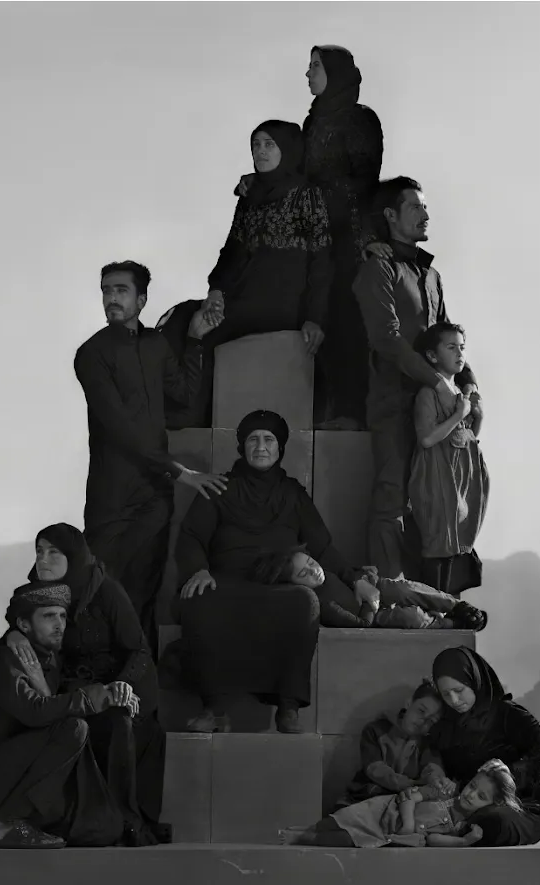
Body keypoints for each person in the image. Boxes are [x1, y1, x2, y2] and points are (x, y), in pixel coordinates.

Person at [171, 409, 379, 734]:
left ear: (280, 447)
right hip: (226, 580)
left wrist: (356, 580)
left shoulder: (293, 494)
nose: (261, 446)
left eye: (268, 439)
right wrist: (198, 570)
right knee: (201, 600)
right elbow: (191, 538)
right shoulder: (220, 488)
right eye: (253, 439)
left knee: (304, 603)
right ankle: (214, 707)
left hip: (279, 582)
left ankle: (289, 707)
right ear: (242, 446)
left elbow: (322, 546)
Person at [75, 260, 229, 650]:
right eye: (106, 290)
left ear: (141, 299)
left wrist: (194, 339)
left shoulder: (155, 344)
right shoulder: (91, 354)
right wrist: (180, 472)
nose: (111, 298)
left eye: (120, 290)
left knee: (144, 599)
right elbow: (121, 429)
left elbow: (184, 394)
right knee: (100, 597)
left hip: (153, 498)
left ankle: (140, 700)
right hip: (112, 497)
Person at [2, 523, 168, 844]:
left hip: (118, 679)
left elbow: (138, 650)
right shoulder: (34, 594)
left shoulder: (106, 592)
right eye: (39, 551)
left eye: (53, 552)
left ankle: (122, 819)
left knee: (116, 720)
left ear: (74, 556)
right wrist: (13, 632)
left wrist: (122, 684)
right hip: (68, 686)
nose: (43, 559)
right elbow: (17, 619)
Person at [0, 581, 132, 850]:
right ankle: (3, 824)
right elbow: (35, 711)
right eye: (48, 616)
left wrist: (115, 692)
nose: (59, 624)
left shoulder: (50, 660)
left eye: (62, 615)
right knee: (74, 729)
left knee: (100, 828)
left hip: (11, 774)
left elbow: (66, 698)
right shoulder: (6, 659)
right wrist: (95, 697)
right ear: (24, 624)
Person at [183, 121, 333, 428]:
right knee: (191, 326)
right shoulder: (249, 196)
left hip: (287, 305)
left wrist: (315, 316)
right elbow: (231, 251)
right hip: (243, 299)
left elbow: (322, 261)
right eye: (256, 144)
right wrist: (216, 291)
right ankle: (198, 426)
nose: (260, 151)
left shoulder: (308, 195)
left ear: (287, 149)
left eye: (269, 144)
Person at [354, 176, 465, 586]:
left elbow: (447, 336)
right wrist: (436, 383)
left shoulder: (431, 275)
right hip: (393, 397)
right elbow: (385, 338)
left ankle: (431, 595)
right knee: (392, 495)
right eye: (416, 207)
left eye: (425, 207)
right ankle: (389, 591)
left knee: (436, 500)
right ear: (390, 215)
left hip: (436, 404)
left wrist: (467, 388)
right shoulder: (376, 268)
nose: (426, 214)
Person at [302, 45, 384, 430]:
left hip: (349, 236)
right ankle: (320, 413)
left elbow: (364, 184)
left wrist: (365, 238)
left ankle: (350, 413)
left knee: (348, 323)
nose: (308, 74)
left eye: (316, 67)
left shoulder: (360, 120)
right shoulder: (312, 122)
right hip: (315, 236)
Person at [427, 645, 540, 841]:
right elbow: (433, 753)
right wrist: (436, 771)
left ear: (475, 680)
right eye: (446, 694)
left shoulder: (510, 714)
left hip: (516, 806)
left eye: (459, 690)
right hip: (464, 802)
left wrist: (507, 773)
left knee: (491, 822)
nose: (454, 700)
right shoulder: (447, 722)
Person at [281, 758, 532, 848]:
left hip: (385, 834)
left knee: (346, 839)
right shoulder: (446, 793)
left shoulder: (461, 824)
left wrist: (464, 842)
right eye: (472, 786)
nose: (470, 794)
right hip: (384, 810)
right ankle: (305, 830)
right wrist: (409, 822)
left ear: (490, 805)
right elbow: (412, 796)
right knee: (338, 821)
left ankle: (302, 838)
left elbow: (433, 840)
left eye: (480, 797)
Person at [409, 322, 490, 596]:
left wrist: (477, 418)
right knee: (438, 541)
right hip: (437, 476)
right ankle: (435, 605)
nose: (459, 354)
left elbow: (466, 438)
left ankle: (451, 604)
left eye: (462, 347)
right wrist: (458, 415)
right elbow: (427, 439)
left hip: (460, 478)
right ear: (432, 356)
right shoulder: (428, 393)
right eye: (451, 347)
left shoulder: (459, 393)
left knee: (457, 542)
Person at [245, 544, 488, 631]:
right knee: (410, 617)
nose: (313, 570)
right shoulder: (322, 604)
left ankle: (456, 606)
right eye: (304, 574)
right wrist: (371, 606)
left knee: (402, 588)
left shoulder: (325, 571)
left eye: (310, 562)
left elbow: (349, 573)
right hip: (372, 614)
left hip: (372, 589)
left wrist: (363, 575)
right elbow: (360, 625)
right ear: (296, 585)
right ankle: (450, 624)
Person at [332, 680, 452, 810]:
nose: (423, 721)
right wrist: (412, 785)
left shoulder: (427, 743)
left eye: (431, 721)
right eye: (421, 711)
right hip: (362, 796)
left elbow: (432, 768)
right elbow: (376, 770)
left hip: (398, 803)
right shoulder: (376, 730)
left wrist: (435, 780)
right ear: (409, 703)